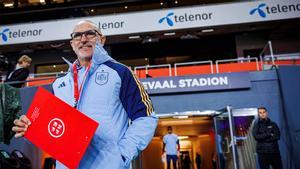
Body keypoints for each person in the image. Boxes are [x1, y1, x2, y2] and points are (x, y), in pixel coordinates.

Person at [12, 20, 158, 169]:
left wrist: (122, 155)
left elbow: (146, 117)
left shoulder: (120, 73)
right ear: (72, 43)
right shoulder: (59, 84)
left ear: (102, 39)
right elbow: (55, 129)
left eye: (90, 33)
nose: (83, 39)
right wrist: (31, 126)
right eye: (77, 36)